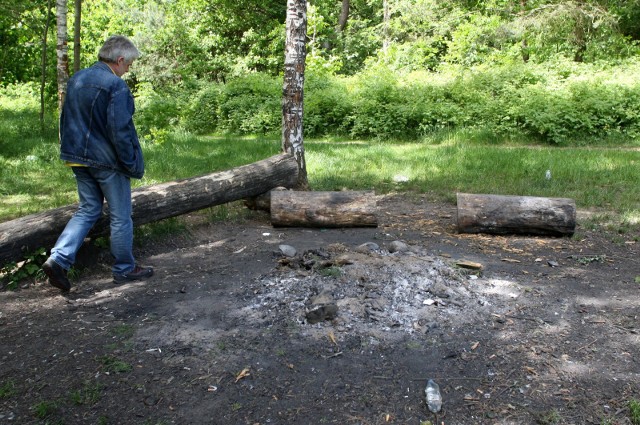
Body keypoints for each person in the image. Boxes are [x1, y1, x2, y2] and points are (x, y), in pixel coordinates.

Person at [42, 35, 153, 292]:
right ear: (120, 60)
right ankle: (125, 269)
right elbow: (120, 130)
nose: (129, 70)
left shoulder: (77, 79)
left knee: (88, 209)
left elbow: (66, 118)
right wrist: (129, 162)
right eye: (129, 65)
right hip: (106, 162)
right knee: (121, 216)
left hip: (77, 157)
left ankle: (58, 258)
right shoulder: (115, 86)